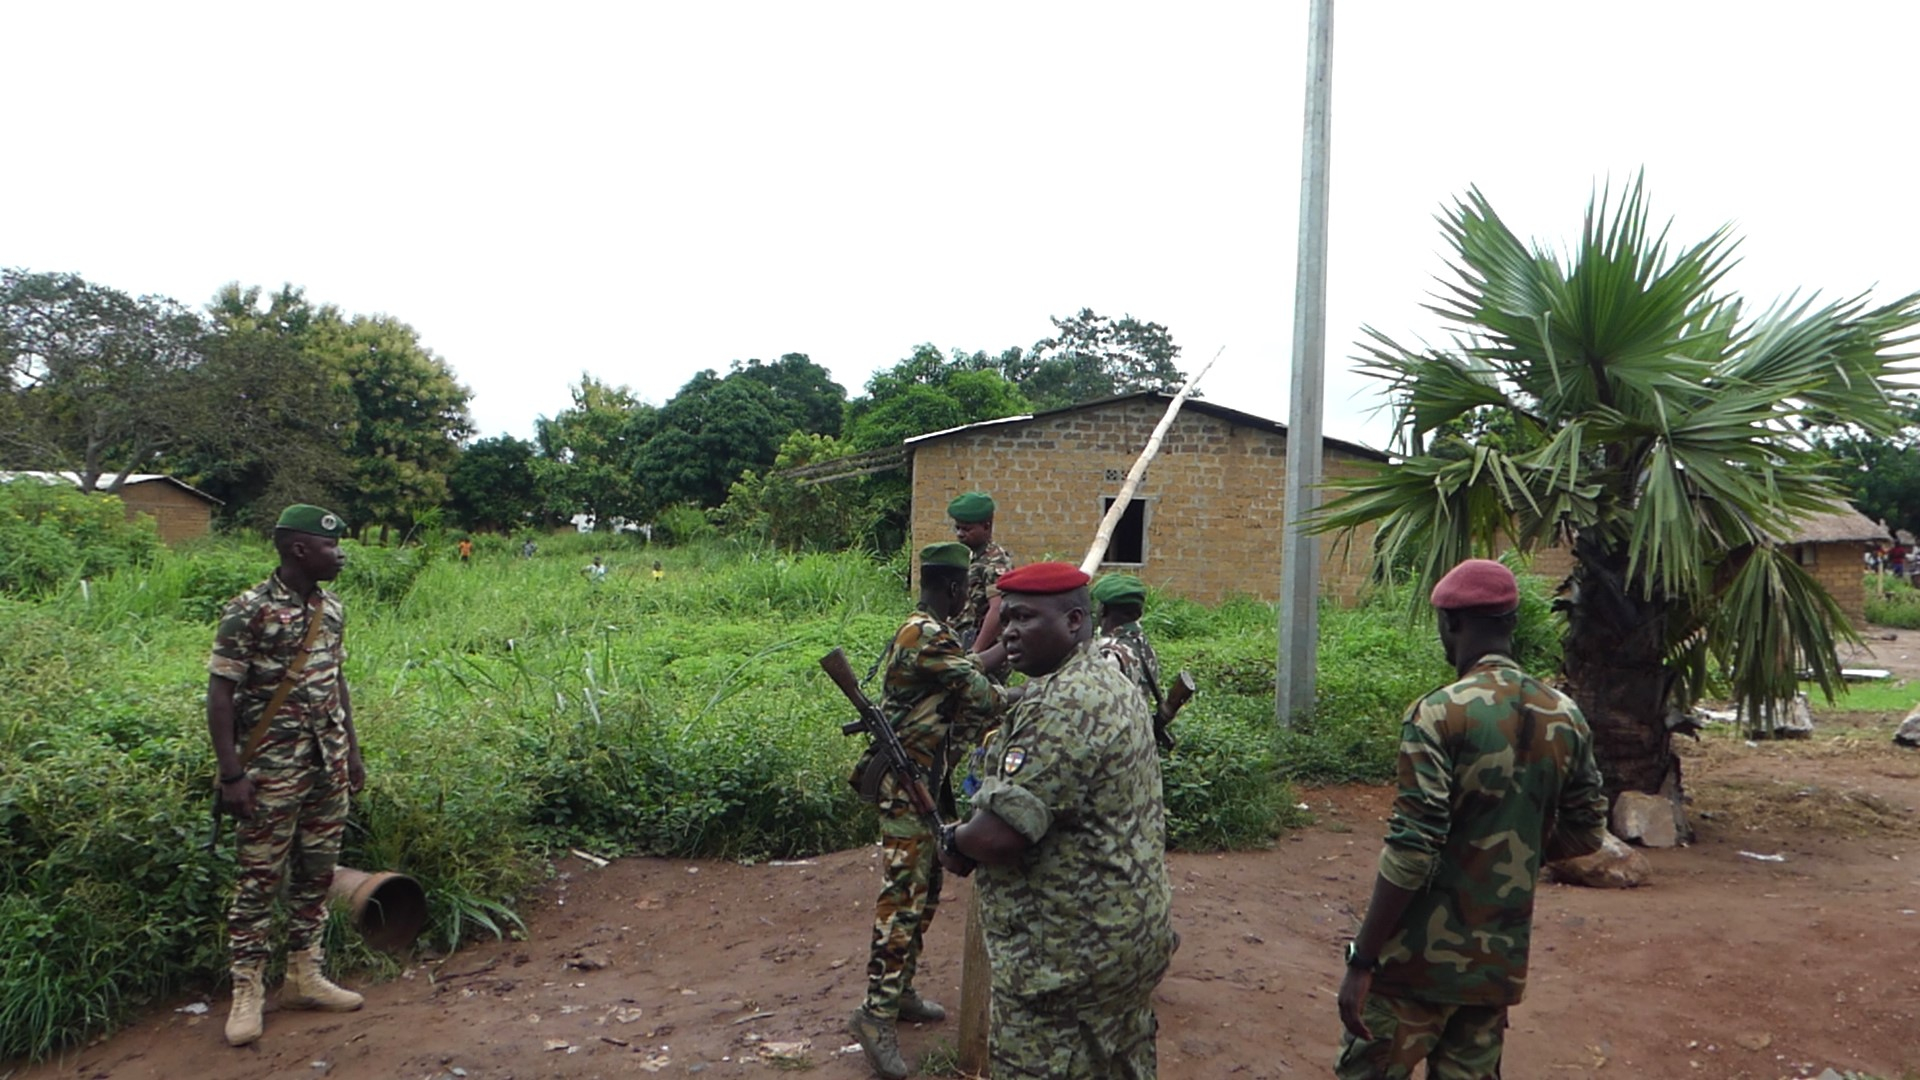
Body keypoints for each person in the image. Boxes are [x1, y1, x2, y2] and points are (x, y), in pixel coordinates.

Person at [1334, 558, 1610, 1079]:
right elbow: (1587, 830)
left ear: (1452, 625)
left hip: (1414, 966)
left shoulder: (1439, 713)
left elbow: (1413, 849)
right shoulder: (1565, 714)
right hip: (1494, 968)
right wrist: (1505, 854)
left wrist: (1363, 958)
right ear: (1510, 623)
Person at [938, 562, 1174, 1079]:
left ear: (1073, 621)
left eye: (1024, 618)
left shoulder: (1063, 703)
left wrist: (954, 838)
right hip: (1126, 940)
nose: (1009, 632)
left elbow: (1000, 835)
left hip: (1066, 961)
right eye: (1006, 619)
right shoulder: (1108, 679)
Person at [207, 504, 367, 1047]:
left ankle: (304, 975)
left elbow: (336, 682)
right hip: (269, 772)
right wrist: (232, 775)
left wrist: (352, 754)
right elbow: (220, 696)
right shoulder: (247, 611)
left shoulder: (332, 609)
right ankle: (247, 990)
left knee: (317, 875)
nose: (339, 554)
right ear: (300, 549)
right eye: (330, 546)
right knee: (258, 881)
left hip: (326, 764)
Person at [847, 542, 1003, 1080]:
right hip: (906, 784)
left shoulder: (931, 632)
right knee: (903, 898)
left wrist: (997, 648)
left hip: (928, 784)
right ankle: (875, 1015)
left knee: (928, 890)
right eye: (964, 589)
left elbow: (966, 668)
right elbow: (981, 694)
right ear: (956, 589)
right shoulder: (929, 634)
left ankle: (901, 991)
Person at [1090, 573, 1168, 744]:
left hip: (1114, 744)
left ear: (1103, 610)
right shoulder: (1143, 644)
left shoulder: (1109, 653)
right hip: (1140, 739)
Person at [946, 491, 1014, 652]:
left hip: (985, 648)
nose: (960, 534)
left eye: (966, 529)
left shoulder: (995, 562)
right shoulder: (970, 557)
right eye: (957, 528)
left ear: (986, 526)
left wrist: (976, 651)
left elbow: (998, 609)